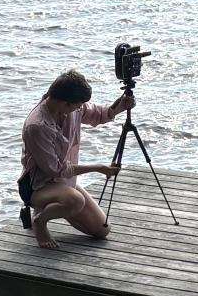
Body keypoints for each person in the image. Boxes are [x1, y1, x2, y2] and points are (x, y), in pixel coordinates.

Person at [19, 70, 135, 249]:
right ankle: (40, 221)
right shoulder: (37, 126)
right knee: (75, 201)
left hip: (64, 182)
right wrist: (98, 168)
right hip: (38, 186)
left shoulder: (71, 109)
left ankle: (55, 204)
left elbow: (98, 114)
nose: (80, 109)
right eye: (77, 106)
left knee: (102, 230)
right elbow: (56, 169)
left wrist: (120, 106)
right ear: (65, 103)